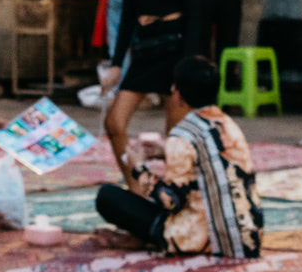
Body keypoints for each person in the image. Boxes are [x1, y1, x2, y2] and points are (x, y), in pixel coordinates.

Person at [94, 55, 260, 257]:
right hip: (247, 238)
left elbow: (171, 201)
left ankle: (147, 239)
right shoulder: (230, 125)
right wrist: (164, 152)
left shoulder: (183, 135)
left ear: (177, 93)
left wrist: (138, 168)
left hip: (197, 239)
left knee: (108, 196)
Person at [106, 0, 198, 185]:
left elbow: (194, 19)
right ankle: (137, 187)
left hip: (174, 52)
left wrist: (186, 70)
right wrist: (116, 64)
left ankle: (176, 192)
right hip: (144, 53)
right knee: (114, 123)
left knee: (176, 136)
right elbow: (127, 18)